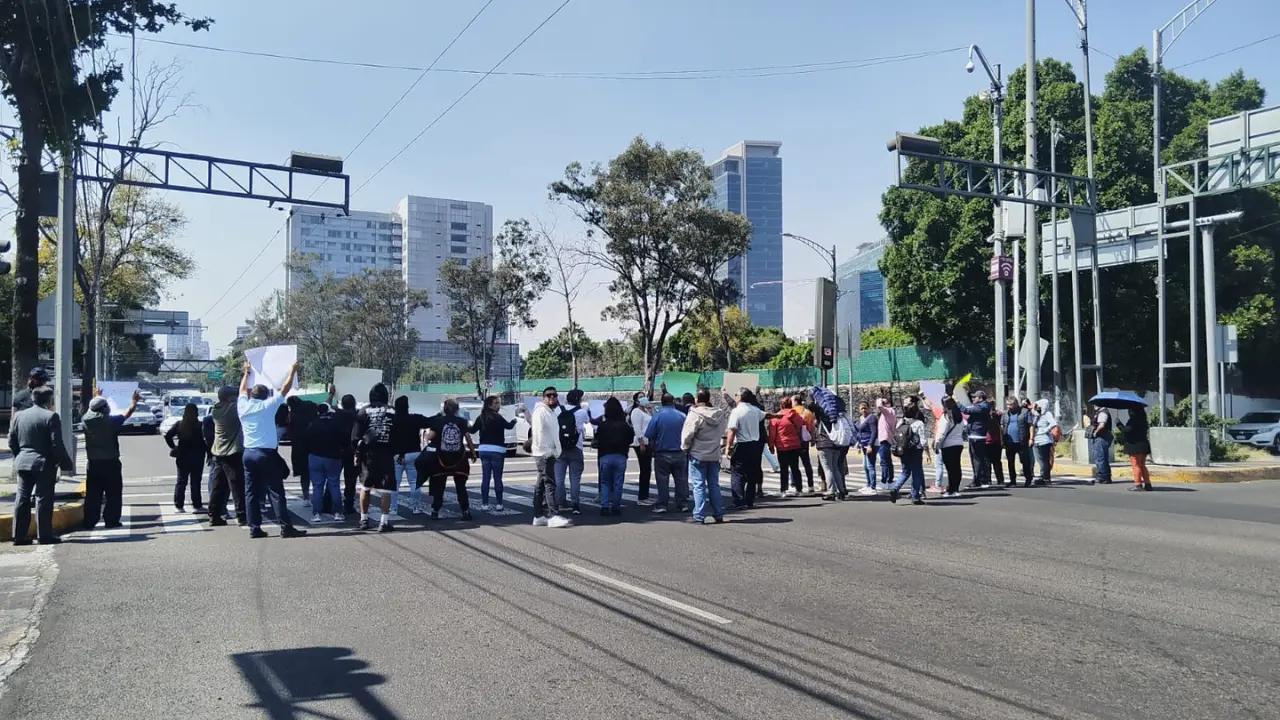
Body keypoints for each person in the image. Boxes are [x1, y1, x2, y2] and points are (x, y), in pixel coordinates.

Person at [237, 360, 306, 539]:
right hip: (265, 454)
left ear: (252, 394)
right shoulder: (268, 406)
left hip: (248, 453)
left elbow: (242, 390)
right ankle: (285, 527)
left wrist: (247, 373)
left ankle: (254, 528)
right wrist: (292, 370)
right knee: (275, 491)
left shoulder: (242, 406)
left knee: (250, 492)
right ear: (266, 395)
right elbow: (285, 387)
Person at [8, 387, 74, 545]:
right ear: (49, 400)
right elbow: (56, 443)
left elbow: (12, 441)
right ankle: (44, 535)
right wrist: (65, 462)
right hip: (44, 463)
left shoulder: (18, 416)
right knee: (43, 498)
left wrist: (20, 456)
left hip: (23, 461)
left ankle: (19, 535)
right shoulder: (51, 416)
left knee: (22, 498)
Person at [80, 389, 140, 530]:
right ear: (104, 409)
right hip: (110, 462)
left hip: (93, 462)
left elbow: (93, 407)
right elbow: (126, 414)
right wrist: (133, 402)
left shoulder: (85, 419)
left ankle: (90, 521)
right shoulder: (109, 421)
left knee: (93, 494)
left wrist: (96, 397)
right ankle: (111, 520)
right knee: (113, 493)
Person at [418, 398, 477, 520]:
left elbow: (430, 437)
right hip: (459, 459)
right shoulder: (462, 421)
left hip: (441, 460)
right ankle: (465, 511)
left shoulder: (438, 421)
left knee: (439, 486)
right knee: (461, 486)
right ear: (457, 409)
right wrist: (473, 453)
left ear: (444, 408)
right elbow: (468, 438)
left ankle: (435, 511)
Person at [353, 383, 398, 532]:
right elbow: (399, 434)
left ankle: (364, 520)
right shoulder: (392, 411)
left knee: (365, 487)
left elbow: (356, 438)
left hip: (368, 454)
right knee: (386, 489)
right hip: (387, 453)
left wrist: (357, 453)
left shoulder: (363, 411)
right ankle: (384, 522)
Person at [681, 389, 728, 524]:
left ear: (696, 399)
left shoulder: (694, 414)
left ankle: (699, 514)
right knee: (714, 485)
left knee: (698, 485)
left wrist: (685, 448)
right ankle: (718, 513)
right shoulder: (719, 414)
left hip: (697, 454)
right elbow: (722, 431)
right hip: (713, 454)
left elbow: (687, 435)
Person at [530, 387, 571, 528]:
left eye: (554, 395)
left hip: (549, 452)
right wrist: (547, 451)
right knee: (549, 483)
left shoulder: (550, 411)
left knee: (541, 484)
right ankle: (553, 515)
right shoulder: (540, 411)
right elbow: (538, 432)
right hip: (544, 453)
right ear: (543, 397)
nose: (552, 397)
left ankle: (538, 515)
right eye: (549, 395)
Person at [207, 386, 248, 527]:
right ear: (231, 398)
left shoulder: (215, 409)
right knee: (237, 485)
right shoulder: (231, 410)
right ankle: (241, 515)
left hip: (218, 452)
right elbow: (245, 399)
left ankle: (214, 514)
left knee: (218, 486)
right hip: (231, 452)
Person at [645, 393, 690, 514]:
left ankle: (662, 505)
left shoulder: (657, 416)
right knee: (681, 480)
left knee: (662, 480)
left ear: (662, 402)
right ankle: (683, 503)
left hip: (662, 452)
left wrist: (653, 450)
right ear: (673, 402)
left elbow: (650, 436)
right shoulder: (682, 416)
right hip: (680, 452)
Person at [470, 395, 516, 511]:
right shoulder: (499, 417)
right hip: (497, 450)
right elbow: (509, 426)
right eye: (495, 403)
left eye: (498, 403)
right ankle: (499, 503)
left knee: (485, 477)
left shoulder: (481, 418)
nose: (498, 405)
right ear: (489, 405)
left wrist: (466, 424)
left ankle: (485, 504)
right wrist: (514, 420)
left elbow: (472, 430)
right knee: (497, 478)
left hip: (484, 449)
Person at [305, 404, 348, 523]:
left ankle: (317, 513)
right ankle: (338, 512)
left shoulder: (313, 423)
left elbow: (306, 441)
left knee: (317, 486)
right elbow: (344, 440)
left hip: (315, 456)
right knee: (334, 484)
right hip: (333, 457)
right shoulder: (336, 423)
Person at [725, 388, 767, 510]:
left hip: (742, 444)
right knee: (752, 474)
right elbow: (766, 415)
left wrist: (728, 446)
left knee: (737, 473)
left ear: (740, 397)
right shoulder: (755, 410)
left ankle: (739, 501)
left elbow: (732, 430)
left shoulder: (737, 411)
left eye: (736, 394)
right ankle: (749, 501)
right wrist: (779, 415)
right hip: (755, 445)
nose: (735, 396)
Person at [164, 403, 209, 513]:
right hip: (197, 456)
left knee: (181, 480)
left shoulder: (179, 424)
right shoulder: (200, 425)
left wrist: (174, 447)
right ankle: (197, 505)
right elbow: (206, 441)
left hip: (182, 455)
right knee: (195, 481)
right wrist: (208, 453)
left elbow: (168, 435)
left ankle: (179, 505)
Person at [390, 396, 431, 515]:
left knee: (395, 483)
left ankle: (393, 508)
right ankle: (416, 507)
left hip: (397, 455)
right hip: (414, 453)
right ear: (407, 407)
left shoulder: (392, 420)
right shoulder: (415, 418)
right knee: (413, 482)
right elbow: (429, 421)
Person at [594, 397, 634, 517]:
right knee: (618, 482)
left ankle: (604, 505)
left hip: (605, 455)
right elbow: (630, 440)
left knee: (605, 482)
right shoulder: (625, 426)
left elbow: (597, 439)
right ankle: (616, 506)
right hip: (621, 455)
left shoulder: (603, 425)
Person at [555, 389, 590, 515]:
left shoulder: (559, 409)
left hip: (560, 448)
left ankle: (560, 503)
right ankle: (575, 504)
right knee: (575, 479)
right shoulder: (582, 412)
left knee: (559, 478)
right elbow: (588, 421)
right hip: (576, 447)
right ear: (579, 400)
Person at [887, 402, 930, 505]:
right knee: (916, 472)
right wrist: (927, 452)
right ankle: (915, 497)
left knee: (905, 471)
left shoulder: (901, 422)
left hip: (904, 450)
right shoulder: (919, 423)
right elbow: (923, 440)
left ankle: (895, 488)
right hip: (915, 450)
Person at [814, 397, 851, 501]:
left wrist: (819, 397)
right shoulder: (838, 415)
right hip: (836, 443)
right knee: (835, 468)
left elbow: (811, 405)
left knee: (827, 468)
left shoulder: (823, 414)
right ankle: (841, 490)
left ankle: (831, 491)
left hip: (824, 444)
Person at [768, 396, 806, 497]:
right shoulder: (795, 415)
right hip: (794, 445)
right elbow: (800, 427)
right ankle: (799, 489)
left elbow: (772, 433)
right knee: (795, 468)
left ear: (781, 405)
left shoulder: (776, 417)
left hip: (782, 446)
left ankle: (783, 490)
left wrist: (771, 446)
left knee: (784, 469)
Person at [286, 395, 320, 501]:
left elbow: (288, 430)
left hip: (299, 446)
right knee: (317, 472)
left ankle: (306, 497)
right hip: (314, 443)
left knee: (304, 473)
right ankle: (317, 495)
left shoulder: (293, 415)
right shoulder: (311, 406)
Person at [959, 390, 994, 489]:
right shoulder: (981, 406)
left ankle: (978, 479)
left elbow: (966, 410)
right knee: (977, 459)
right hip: (975, 435)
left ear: (981, 398)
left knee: (977, 459)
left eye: (975, 397)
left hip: (977, 435)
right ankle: (981, 479)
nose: (973, 399)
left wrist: (956, 402)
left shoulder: (982, 407)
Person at [332, 393, 361, 515]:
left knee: (333, 478)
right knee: (351, 480)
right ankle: (348, 504)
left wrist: (331, 394)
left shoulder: (337, 414)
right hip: (352, 450)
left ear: (342, 404)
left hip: (337, 449)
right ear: (354, 404)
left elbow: (327, 405)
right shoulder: (357, 415)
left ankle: (329, 503)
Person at [935, 398, 966, 497]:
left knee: (950, 469)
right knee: (957, 468)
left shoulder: (946, 417)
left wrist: (937, 444)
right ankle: (956, 489)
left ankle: (951, 490)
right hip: (958, 443)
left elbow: (941, 433)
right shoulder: (959, 416)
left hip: (948, 445)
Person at [1002, 396, 1033, 488]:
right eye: (1007, 404)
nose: (1009, 407)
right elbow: (1001, 426)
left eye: (1011, 405)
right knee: (1010, 462)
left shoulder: (1024, 412)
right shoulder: (1005, 414)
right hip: (1009, 442)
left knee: (1025, 461)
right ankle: (1012, 481)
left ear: (1016, 404)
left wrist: (1031, 438)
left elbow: (1031, 425)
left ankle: (1028, 479)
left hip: (1021, 441)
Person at [629, 393, 654, 505]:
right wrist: (641, 442)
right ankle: (642, 497)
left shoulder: (646, 411)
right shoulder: (636, 412)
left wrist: (651, 409)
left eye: (644, 396)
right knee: (644, 469)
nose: (643, 398)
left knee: (647, 469)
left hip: (649, 441)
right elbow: (637, 427)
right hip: (641, 442)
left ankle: (645, 495)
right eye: (640, 397)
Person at [1119, 409, 1153, 491]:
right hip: (1143, 445)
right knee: (1142, 465)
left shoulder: (1133, 420)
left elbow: (1126, 430)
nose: (1129, 412)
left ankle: (1138, 484)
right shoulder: (1143, 420)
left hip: (1134, 446)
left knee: (1136, 465)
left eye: (1130, 410)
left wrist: (1119, 424)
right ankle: (1147, 483)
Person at [792, 393, 819, 494]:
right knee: (807, 463)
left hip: (794, 440)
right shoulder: (808, 412)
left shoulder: (792, 412)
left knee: (794, 464)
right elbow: (812, 428)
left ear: (795, 402)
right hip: (805, 441)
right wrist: (812, 439)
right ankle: (811, 485)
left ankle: (796, 486)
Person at [1031, 399, 1059, 486]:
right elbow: (1032, 424)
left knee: (1045, 460)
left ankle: (1045, 477)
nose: (1037, 408)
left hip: (1045, 440)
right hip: (1036, 439)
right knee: (1039, 460)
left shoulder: (1047, 414)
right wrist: (1035, 412)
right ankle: (1044, 476)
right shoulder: (1036, 415)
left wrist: (1045, 430)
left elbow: (1054, 423)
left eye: (1039, 406)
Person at [852, 401, 878, 495]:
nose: (863, 410)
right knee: (865, 466)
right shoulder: (860, 419)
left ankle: (873, 486)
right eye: (861, 408)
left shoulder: (871, 418)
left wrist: (870, 445)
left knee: (870, 466)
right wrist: (858, 444)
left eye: (865, 408)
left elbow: (874, 432)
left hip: (869, 444)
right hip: (862, 444)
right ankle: (868, 484)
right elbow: (858, 432)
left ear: (869, 408)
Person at [1088, 404, 1114, 485]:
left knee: (1100, 457)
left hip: (1102, 437)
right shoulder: (1099, 412)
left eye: (1096, 403)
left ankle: (1102, 477)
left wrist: (1095, 432)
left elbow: (1102, 425)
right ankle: (1105, 476)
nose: (1094, 405)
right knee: (1101, 457)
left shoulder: (1103, 412)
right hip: (1101, 437)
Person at [874, 398, 897, 491]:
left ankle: (884, 481)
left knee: (884, 461)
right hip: (888, 438)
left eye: (885, 403)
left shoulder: (888, 411)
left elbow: (879, 406)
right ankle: (890, 480)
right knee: (888, 461)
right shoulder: (891, 413)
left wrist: (880, 399)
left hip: (884, 438)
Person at [986, 404, 1005, 487]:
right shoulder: (984, 415)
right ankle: (988, 480)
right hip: (986, 441)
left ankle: (1000, 480)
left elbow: (1000, 418)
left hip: (996, 441)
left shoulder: (998, 414)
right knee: (987, 462)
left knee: (996, 462)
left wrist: (993, 414)